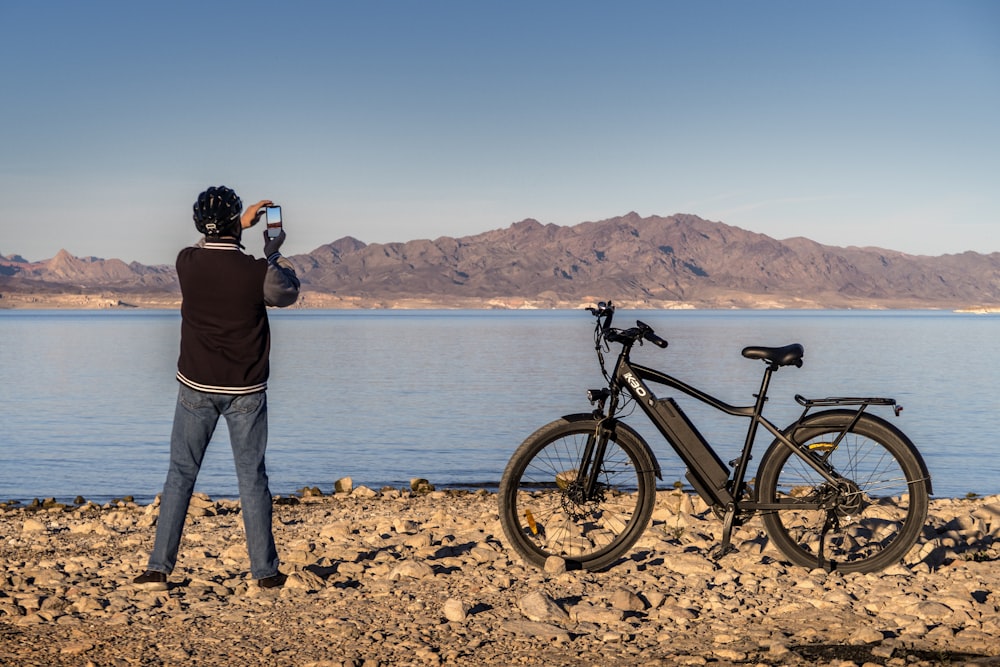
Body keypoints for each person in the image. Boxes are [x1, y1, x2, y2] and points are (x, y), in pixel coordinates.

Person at [134, 185, 300, 591]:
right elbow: (287, 293)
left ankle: (159, 568)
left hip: (195, 388)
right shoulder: (258, 272)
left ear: (199, 225)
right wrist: (273, 249)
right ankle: (265, 573)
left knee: (180, 476)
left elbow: (206, 246)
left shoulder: (186, 262)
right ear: (234, 222)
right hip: (246, 391)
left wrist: (229, 228)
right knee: (252, 478)